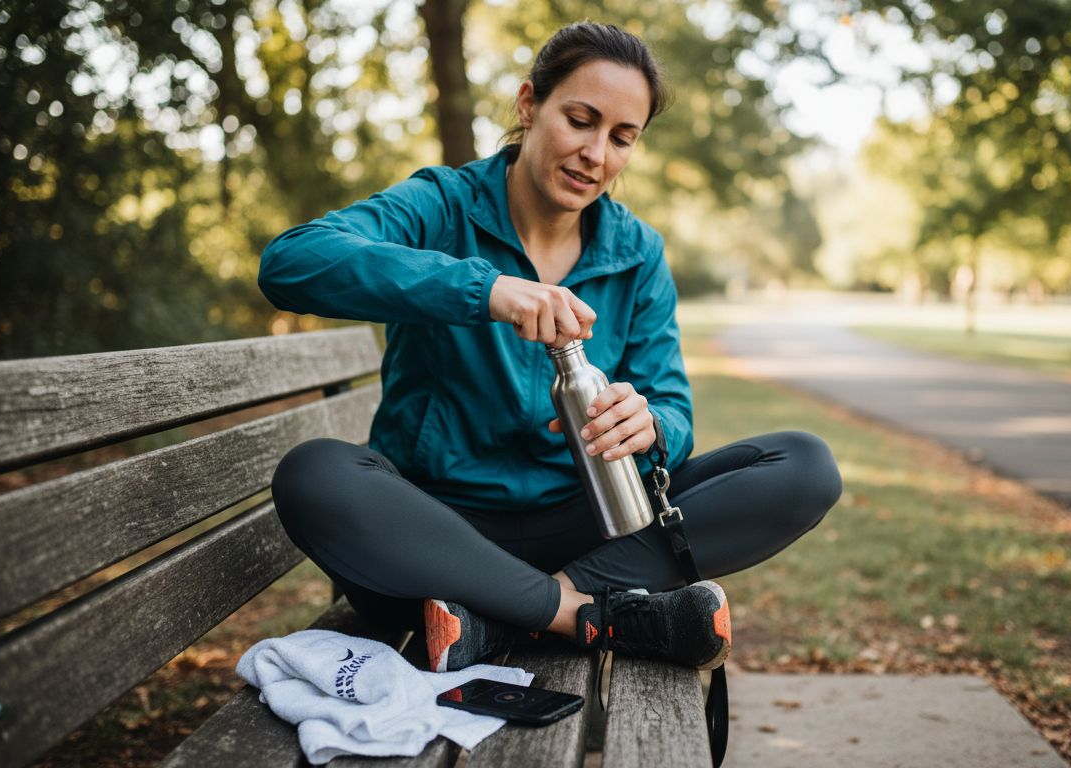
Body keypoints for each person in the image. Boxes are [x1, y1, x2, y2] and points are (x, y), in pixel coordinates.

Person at [260, 21, 841, 675]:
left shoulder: (636, 251)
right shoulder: (444, 207)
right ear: (529, 104)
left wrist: (650, 423)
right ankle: (585, 616)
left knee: (804, 465)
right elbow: (292, 263)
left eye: (622, 137)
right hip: (440, 536)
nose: (597, 153)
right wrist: (487, 290)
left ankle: (518, 612)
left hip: (590, 527)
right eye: (581, 120)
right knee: (312, 473)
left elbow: (673, 407)